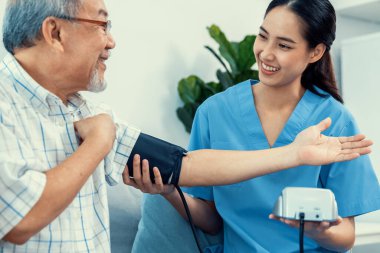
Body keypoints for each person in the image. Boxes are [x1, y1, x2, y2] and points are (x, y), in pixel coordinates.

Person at [0, 0, 373, 252]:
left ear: (315, 52)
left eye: (285, 44)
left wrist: (294, 155)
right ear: (55, 32)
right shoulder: (84, 123)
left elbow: (185, 165)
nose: (112, 41)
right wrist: (100, 143)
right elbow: (20, 218)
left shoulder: (82, 112)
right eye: (102, 24)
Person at [129, 0, 380, 252]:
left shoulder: (335, 120)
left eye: (283, 45)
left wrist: (321, 231)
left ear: (315, 52)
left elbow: (346, 236)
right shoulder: (214, 113)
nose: (266, 53)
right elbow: (212, 221)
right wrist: (170, 192)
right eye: (263, 36)